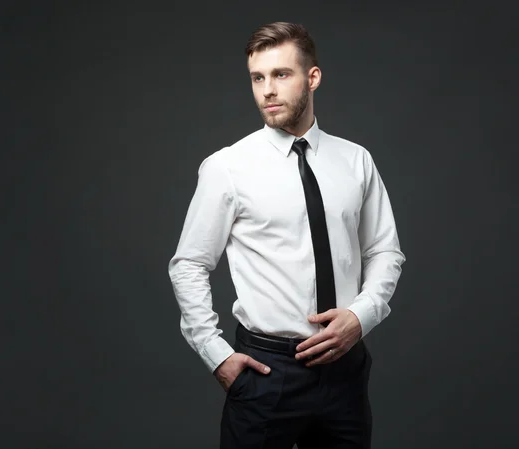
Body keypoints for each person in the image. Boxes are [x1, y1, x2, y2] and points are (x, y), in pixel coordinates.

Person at [168, 21, 405, 449]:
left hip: (345, 371)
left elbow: (385, 250)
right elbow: (189, 264)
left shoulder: (356, 161)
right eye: (258, 78)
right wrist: (215, 353)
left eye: (281, 74)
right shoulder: (228, 167)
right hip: (266, 372)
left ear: (312, 78)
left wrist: (361, 316)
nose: (267, 90)